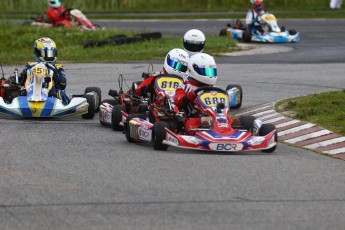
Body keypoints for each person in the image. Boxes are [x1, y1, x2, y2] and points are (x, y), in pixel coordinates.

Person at [174, 53, 238, 134]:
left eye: (211, 72)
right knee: (192, 123)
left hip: (217, 116)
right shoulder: (185, 86)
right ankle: (202, 130)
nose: (210, 75)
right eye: (206, 71)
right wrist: (188, 96)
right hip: (196, 117)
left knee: (228, 119)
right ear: (193, 70)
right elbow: (177, 100)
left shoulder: (214, 88)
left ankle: (233, 129)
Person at [18, 37, 70, 105]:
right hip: (30, 91)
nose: (49, 56)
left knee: (54, 91)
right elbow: (20, 82)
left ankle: (60, 103)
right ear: (37, 53)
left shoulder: (57, 67)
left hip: (50, 93)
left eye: (51, 53)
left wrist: (55, 74)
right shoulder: (30, 66)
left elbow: (62, 84)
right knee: (22, 91)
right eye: (45, 53)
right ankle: (23, 103)